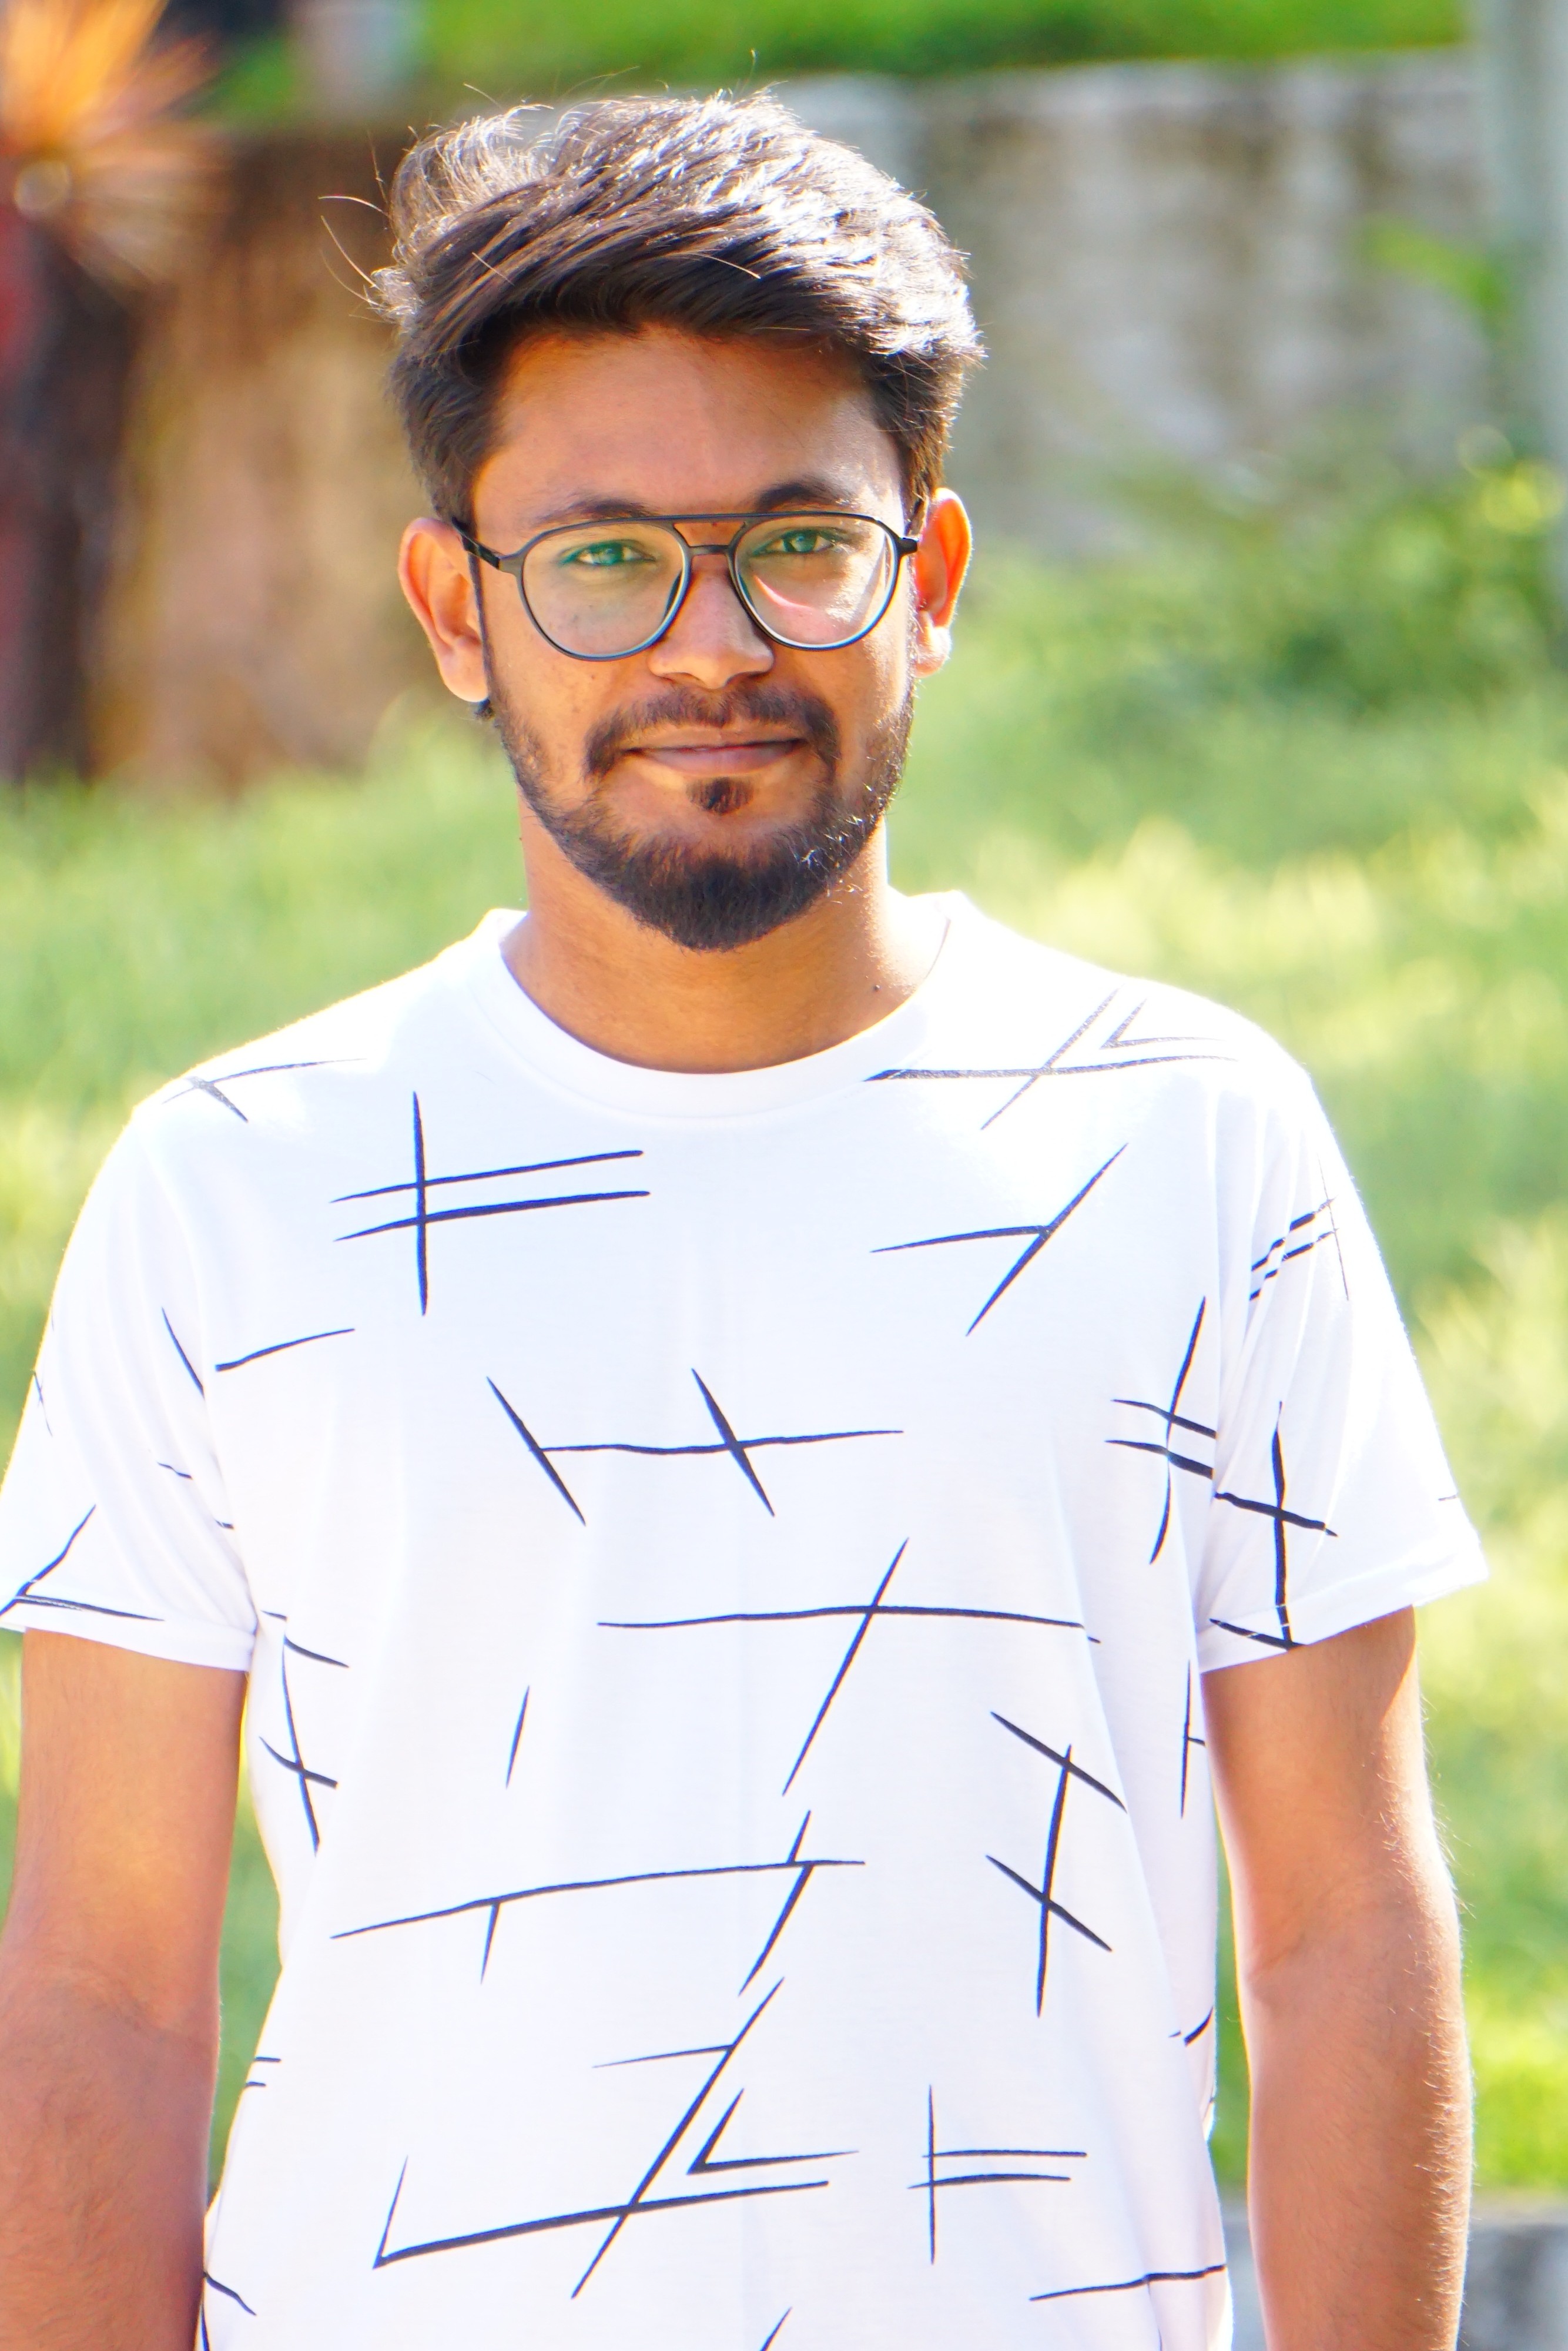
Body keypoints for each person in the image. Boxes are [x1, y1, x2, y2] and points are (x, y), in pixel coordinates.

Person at [0, 93, 1482, 2351]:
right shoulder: (235, 1187)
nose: (710, 644)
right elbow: (101, 1987)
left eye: (798, 544)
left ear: (932, 580)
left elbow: (1344, 1927)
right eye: (603, 559)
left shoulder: (1194, 1142)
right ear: (457, 611)